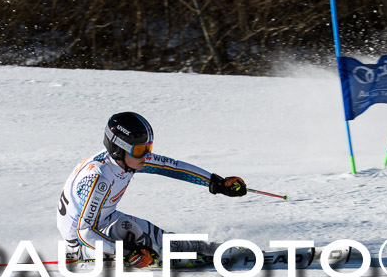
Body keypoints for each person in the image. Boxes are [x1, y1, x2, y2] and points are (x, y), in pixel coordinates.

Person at [57, 111, 246, 268]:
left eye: (148, 148)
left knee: (162, 237)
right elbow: (84, 232)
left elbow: (171, 167)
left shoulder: (126, 160)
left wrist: (215, 183)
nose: (146, 156)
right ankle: (175, 258)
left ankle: (210, 249)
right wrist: (128, 252)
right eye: (140, 150)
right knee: (136, 234)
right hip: (81, 243)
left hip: (103, 221)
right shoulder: (100, 178)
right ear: (118, 149)